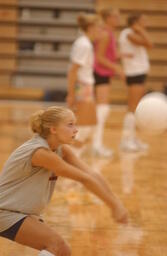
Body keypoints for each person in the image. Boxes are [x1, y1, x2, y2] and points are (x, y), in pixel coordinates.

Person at [0, 106, 128, 256]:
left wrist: (116, 202)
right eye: (70, 124)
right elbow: (84, 178)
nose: (76, 130)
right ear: (53, 129)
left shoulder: (61, 150)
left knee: (63, 250)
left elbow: (93, 175)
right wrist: (114, 205)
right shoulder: (40, 152)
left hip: (21, 212)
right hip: (5, 212)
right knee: (56, 245)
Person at [67, 13, 110, 157]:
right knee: (83, 127)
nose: (101, 31)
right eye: (99, 28)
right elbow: (73, 71)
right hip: (82, 87)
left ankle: (74, 158)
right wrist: (72, 94)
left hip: (86, 87)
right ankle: (71, 160)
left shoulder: (85, 43)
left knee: (89, 125)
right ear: (91, 27)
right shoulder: (84, 44)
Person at [93, 8, 125, 156]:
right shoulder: (105, 34)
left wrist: (120, 55)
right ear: (108, 18)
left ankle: (95, 144)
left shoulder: (108, 33)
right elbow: (99, 57)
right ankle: (96, 145)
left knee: (101, 109)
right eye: (115, 16)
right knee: (102, 109)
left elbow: (107, 54)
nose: (118, 19)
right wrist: (117, 68)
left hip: (102, 74)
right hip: (99, 74)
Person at [119, 14, 153, 151]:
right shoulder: (128, 34)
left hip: (138, 74)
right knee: (132, 107)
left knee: (136, 108)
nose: (146, 22)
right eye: (142, 21)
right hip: (134, 74)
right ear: (135, 23)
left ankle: (132, 138)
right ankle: (126, 141)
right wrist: (140, 30)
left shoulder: (130, 33)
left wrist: (139, 29)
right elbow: (150, 44)